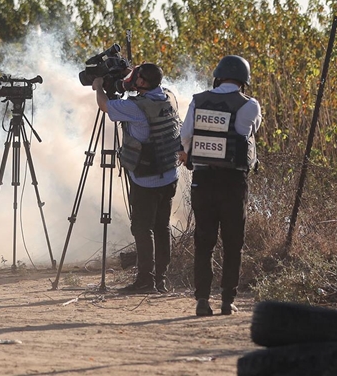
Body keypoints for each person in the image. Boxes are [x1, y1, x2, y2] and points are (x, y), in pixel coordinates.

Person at [179, 55, 261, 316]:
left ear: (217, 76)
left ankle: (202, 300)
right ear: (243, 81)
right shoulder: (250, 105)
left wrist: (187, 153)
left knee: (204, 241)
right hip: (233, 182)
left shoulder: (198, 100)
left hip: (203, 180)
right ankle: (227, 300)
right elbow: (248, 135)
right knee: (232, 242)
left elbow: (185, 136)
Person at [92, 63, 182, 294]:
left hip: (146, 177)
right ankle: (160, 279)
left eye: (137, 77)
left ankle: (145, 281)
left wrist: (99, 87)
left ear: (142, 82)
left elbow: (104, 105)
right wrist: (127, 74)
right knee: (162, 226)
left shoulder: (134, 107)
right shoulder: (168, 96)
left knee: (142, 228)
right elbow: (149, 82)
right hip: (169, 172)